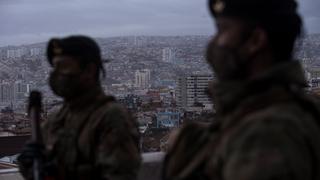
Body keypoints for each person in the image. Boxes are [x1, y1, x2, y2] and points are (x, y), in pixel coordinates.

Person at [163, 0, 320, 179]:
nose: (214, 42)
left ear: (255, 40)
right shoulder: (291, 108)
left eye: (223, 30)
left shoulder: (266, 134)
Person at [18, 35, 141, 180]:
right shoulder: (55, 120)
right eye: (54, 67)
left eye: (63, 67)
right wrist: (27, 163)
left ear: (89, 70)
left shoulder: (111, 118)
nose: (56, 74)